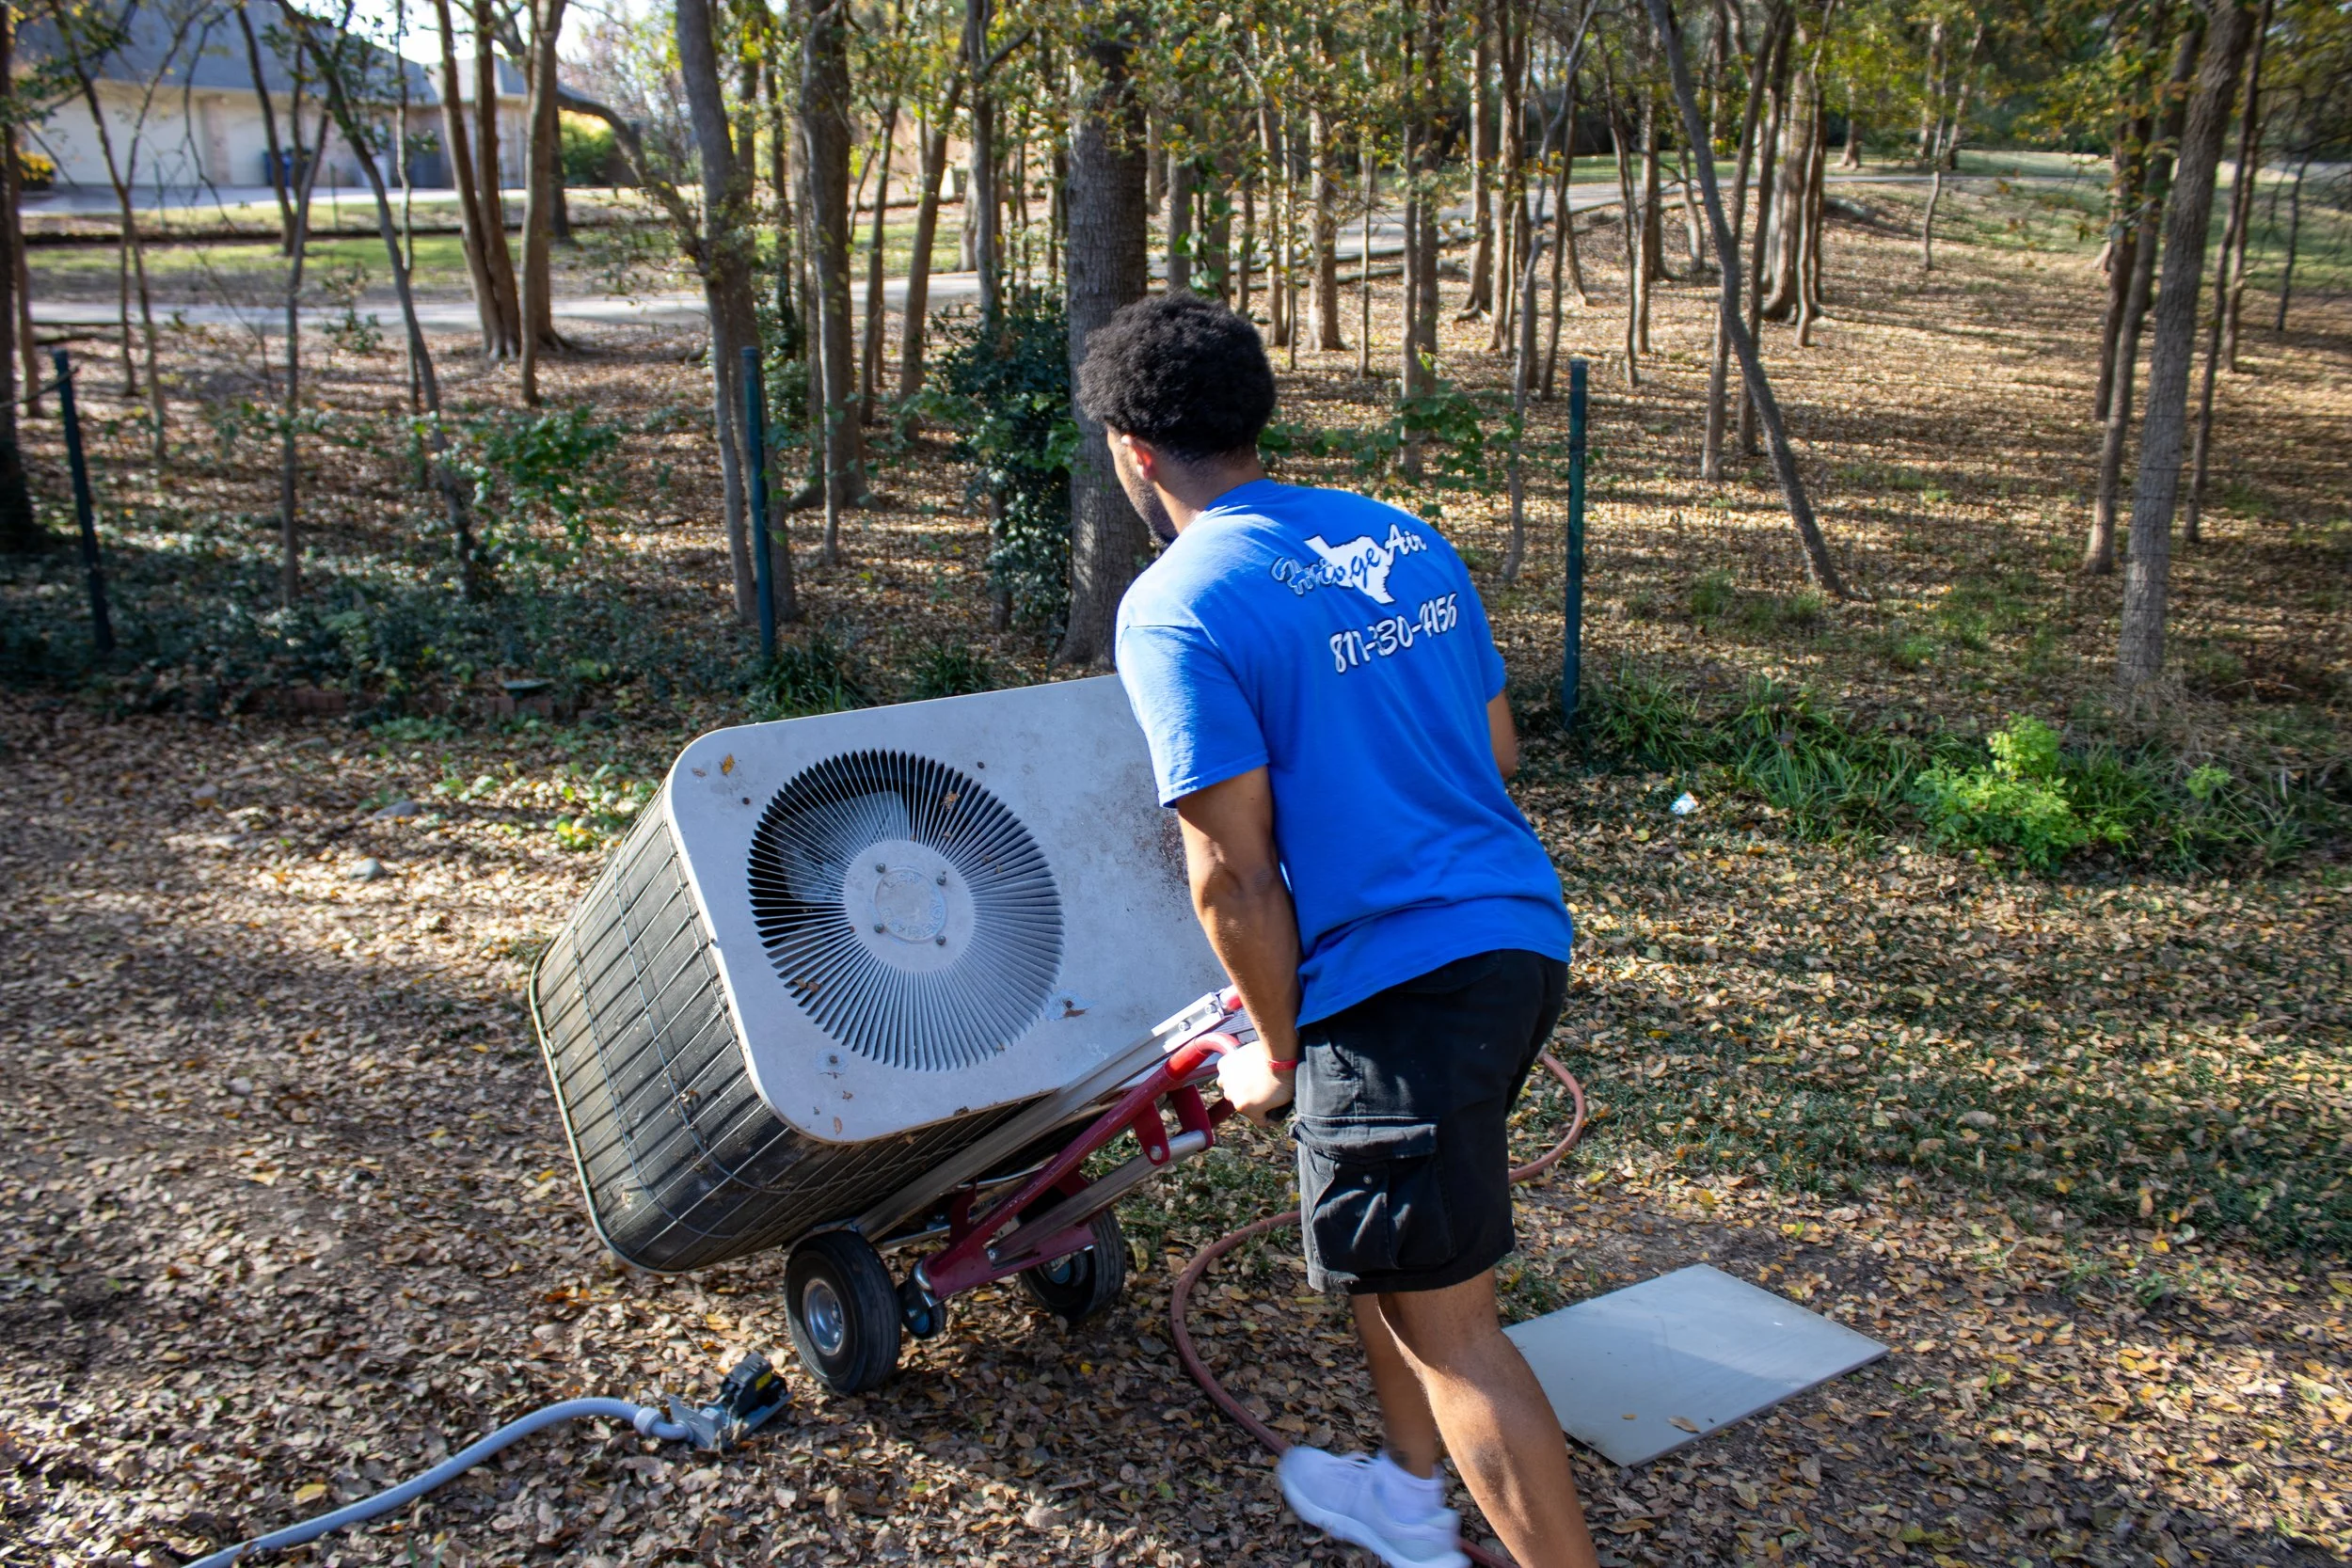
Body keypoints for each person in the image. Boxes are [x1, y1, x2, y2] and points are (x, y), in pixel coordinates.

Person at [1088, 292, 1599, 1568]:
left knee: (1457, 1331)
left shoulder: (1177, 603)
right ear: (1255, 416)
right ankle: (1405, 1491)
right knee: (1397, 1253)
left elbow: (1232, 878)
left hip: (1399, 988)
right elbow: (1496, 747)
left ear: (1131, 450)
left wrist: (1279, 1045)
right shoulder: (1400, 535)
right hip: (1519, 939)